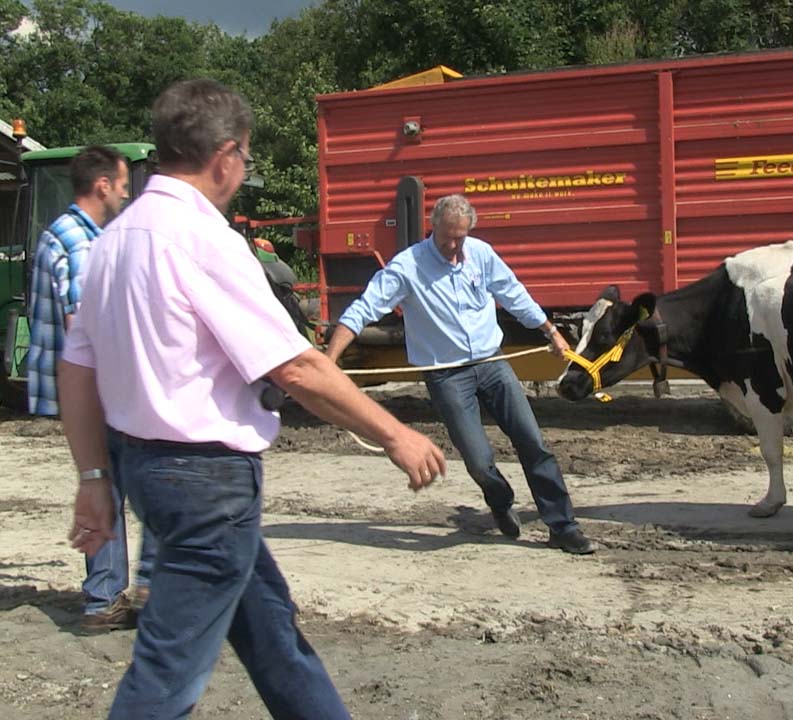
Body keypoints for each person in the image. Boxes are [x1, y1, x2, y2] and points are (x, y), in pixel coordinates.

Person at [60, 78, 446, 719]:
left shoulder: (112, 244)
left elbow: (75, 371)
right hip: (206, 481)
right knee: (165, 676)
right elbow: (296, 367)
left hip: (147, 470)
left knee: (273, 638)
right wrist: (395, 434)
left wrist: (95, 476)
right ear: (227, 155)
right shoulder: (203, 240)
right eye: (246, 158)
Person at [325, 193, 594, 555]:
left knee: (533, 442)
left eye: (460, 237)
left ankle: (563, 526)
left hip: (491, 363)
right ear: (431, 228)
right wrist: (328, 360)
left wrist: (551, 331)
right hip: (447, 375)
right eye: (447, 237)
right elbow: (363, 309)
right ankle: (500, 500)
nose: (454, 246)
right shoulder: (407, 268)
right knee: (479, 461)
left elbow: (513, 294)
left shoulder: (481, 254)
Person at [26, 145, 155, 631]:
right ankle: (137, 587)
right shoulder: (81, 242)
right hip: (100, 388)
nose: (126, 194)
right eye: (123, 185)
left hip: (88, 388)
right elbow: (85, 322)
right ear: (102, 185)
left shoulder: (69, 233)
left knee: (105, 483)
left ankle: (107, 598)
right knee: (143, 478)